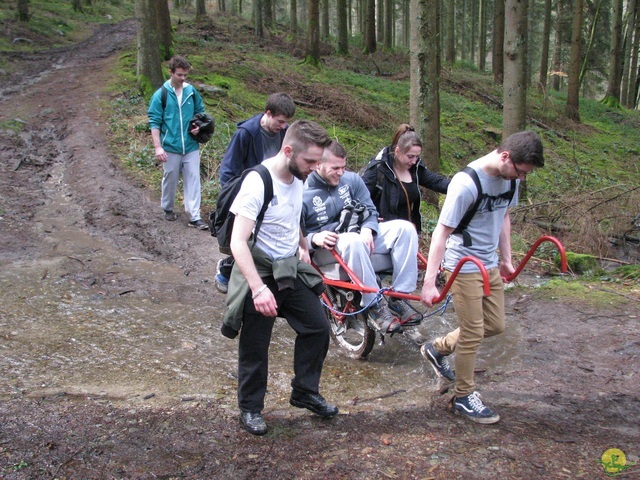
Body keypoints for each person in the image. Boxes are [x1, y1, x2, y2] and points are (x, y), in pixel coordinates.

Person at [419, 130, 545, 424]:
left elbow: (503, 218)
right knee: (474, 330)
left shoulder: (510, 180)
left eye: (526, 174)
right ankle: (463, 396)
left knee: (495, 325)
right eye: (521, 172)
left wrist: (507, 259)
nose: (522, 179)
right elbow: (441, 232)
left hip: (489, 264)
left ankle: (436, 348)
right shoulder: (466, 184)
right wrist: (429, 281)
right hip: (462, 264)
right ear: (505, 157)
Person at [223, 120, 337, 436]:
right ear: (288, 151)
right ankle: (250, 408)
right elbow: (237, 242)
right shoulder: (258, 182)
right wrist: (258, 290)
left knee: (317, 328)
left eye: (318, 162)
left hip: (289, 268)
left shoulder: (299, 176)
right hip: (258, 272)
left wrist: (302, 245)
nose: (314, 169)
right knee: (256, 345)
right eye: (310, 162)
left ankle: (304, 391)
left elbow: (290, 216)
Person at [302, 140, 422, 336]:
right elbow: (291, 236)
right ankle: (373, 304)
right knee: (352, 240)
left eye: (343, 166)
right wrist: (314, 237)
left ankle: (400, 297)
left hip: (359, 237)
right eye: (335, 168)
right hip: (327, 249)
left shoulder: (351, 180)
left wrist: (368, 228)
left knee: (405, 228)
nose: (341, 173)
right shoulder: (301, 192)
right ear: (318, 165)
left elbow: (370, 210)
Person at [215, 93, 297, 293]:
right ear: (267, 113)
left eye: (286, 122)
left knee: (261, 242)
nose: (284, 126)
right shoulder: (246, 134)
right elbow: (228, 170)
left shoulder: (281, 135)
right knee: (245, 240)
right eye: (280, 121)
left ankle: (250, 277)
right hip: (247, 193)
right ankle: (225, 271)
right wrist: (234, 199)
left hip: (271, 195)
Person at [147, 55, 209, 230]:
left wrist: (198, 126)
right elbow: (154, 122)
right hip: (171, 146)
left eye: (185, 75)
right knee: (170, 177)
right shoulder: (161, 95)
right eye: (179, 75)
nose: (183, 79)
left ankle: (194, 216)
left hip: (190, 145)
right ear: (171, 72)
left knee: (193, 178)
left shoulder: (191, 92)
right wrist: (158, 147)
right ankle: (167, 207)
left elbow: (200, 113)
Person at [360, 124, 450, 233]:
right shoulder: (378, 169)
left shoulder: (416, 169)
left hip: (409, 234)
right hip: (382, 234)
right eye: (410, 156)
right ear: (397, 151)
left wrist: (463, 185)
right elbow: (358, 198)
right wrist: (369, 218)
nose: (414, 161)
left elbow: (438, 182)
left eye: (417, 156)